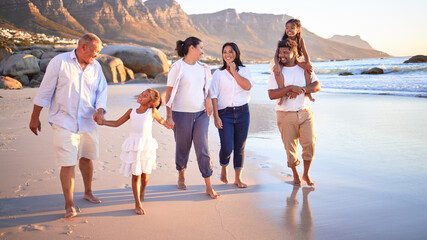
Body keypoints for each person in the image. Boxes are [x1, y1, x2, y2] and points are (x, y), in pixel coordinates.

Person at [29, 33, 107, 218]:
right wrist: (35, 117)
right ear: (83, 48)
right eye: (95, 52)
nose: (97, 56)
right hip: (63, 120)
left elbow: (101, 92)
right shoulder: (59, 62)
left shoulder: (96, 67)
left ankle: (88, 192)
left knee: (87, 157)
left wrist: (100, 111)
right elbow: (45, 91)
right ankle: (69, 203)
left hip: (88, 121)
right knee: (68, 162)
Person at [97, 89, 171, 215]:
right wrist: (103, 122)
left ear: (151, 103)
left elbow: (163, 121)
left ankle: (142, 190)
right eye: (143, 93)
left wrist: (169, 124)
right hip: (134, 146)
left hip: (146, 146)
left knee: (145, 174)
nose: (142, 95)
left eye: (146, 96)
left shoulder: (152, 111)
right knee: (135, 174)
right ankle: (137, 202)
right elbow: (117, 123)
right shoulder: (131, 112)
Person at [165, 36, 220, 199]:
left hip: (201, 113)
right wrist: (169, 116)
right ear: (191, 48)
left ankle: (209, 186)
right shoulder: (177, 67)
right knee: (182, 147)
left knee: (202, 148)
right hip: (180, 114)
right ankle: (181, 175)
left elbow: (207, 88)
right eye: (200, 48)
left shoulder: (204, 68)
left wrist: (209, 100)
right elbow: (169, 93)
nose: (202, 52)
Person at [268, 39, 321, 186]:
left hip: (305, 112)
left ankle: (306, 174)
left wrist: (302, 90)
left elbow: (317, 85)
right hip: (285, 114)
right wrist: (291, 88)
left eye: (286, 52)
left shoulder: (303, 69)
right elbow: (272, 94)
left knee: (309, 144)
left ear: (294, 53)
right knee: (290, 149)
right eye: (280, 52)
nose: (282, 55)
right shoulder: (276, 71)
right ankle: (296, 175)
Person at [210, 42, 252, 188]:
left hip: (243, 112)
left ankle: (238, 178)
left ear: (236, 53)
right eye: (225, 52)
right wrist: (216, 116)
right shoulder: (218, 73)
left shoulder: (244, 70)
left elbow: (247, 86)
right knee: (227, 146)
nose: (227, 54)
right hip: (224, 113)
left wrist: (234, 71)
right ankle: (223, 167)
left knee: (240, 146)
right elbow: (213, 95)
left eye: (230, 51)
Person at [273, 19, 315, 104]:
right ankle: (282, 95)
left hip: (297, 59)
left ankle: (308, 92)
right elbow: (276, 55)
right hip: (284, 59)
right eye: (287, 28)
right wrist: (277, 64)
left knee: (308, 70)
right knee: (277, 71)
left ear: (298, 30)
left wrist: (308, 63)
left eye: (292, 28)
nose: (289, 30)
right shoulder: (282, 41)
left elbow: (306, 54)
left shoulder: (300, 40)